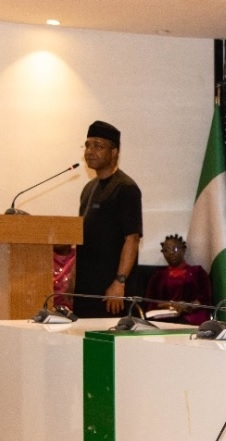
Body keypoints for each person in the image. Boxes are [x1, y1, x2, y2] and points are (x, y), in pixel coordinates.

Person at [74, 120, 142, 317]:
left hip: (111, 291)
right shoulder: (88, 189)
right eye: (87, 145)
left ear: (114, 153)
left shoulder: (126, 188)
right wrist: (73, 276)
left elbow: (132, 238)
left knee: (111, 345)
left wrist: (119, 282)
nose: (90, 151)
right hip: (86, 287)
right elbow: (83, 237)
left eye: (98, 146)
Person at [144, 234, 213, 325]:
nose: (171, 253)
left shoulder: (198, 272)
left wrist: (187, 306)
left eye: (175, 249)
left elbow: (206, 298)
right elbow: (150, 302)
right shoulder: (158, 275)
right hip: (165, 317)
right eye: (166, 250)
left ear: (183, 250)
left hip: (192, 315)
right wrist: (170, 305)